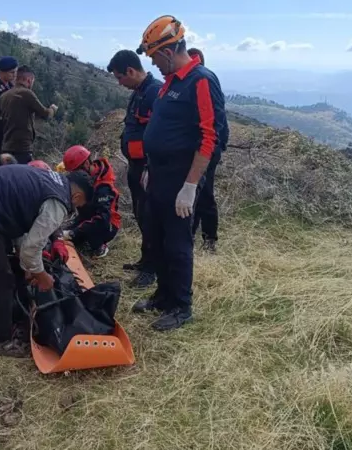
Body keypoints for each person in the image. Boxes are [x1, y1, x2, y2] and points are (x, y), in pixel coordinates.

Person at [132, 15, 228, 331]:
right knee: (156, 237)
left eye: (155, 57)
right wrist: (149, 166)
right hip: (159, 175)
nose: (153, 64)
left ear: (168, 52)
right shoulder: (171, 81)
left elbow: (209, 136)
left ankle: (181, 306)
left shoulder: (201, 81)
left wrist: (190, 185)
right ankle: (164, 295)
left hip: (180, 177)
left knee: (177, 243)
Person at [0, 165, 94, 357]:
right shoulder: (58, 203)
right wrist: (42, 276)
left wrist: (27, 263)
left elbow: (18, 218)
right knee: (1, 279)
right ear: (77, 197)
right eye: (78, 206)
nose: (75, 209)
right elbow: (31, 249)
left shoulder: (47, 179)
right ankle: (2, 342)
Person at [106, 49, 162, 288]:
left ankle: (152, 270)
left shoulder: (154, 92)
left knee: (150, 218)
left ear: (130, 71)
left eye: (120, 77)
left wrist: (150, 167)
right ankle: (145, 260)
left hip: (148, 168)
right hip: (136, 166)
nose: (120, 83)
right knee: (141, 215)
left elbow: (159, 134)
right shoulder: (139, 92)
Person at [187, 47, 229, 253]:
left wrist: (215, 150)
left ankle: (209, 239)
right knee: (200, 195)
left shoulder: (202, 81)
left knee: (203, 195)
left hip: (206, 151)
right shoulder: (199, 81)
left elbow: (216, 123)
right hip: (205, 150)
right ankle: (199, 237)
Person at [0, 66, 58, 164]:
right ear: (29, 80)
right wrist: (53, 109)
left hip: (6, 147)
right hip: (23, 148)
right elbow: (45, 114)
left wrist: (6, 127)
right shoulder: (27, 94)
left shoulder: (4, 96)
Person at [61, 145, 121, 258]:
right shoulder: (89, 177)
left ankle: (99, 246)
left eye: (76, 171)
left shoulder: (104, 188)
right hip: (89, 216)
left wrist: (74, 232)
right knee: (65, 234)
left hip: (107, 224)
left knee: (80, 233)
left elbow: (103, 219)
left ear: (87, 164)